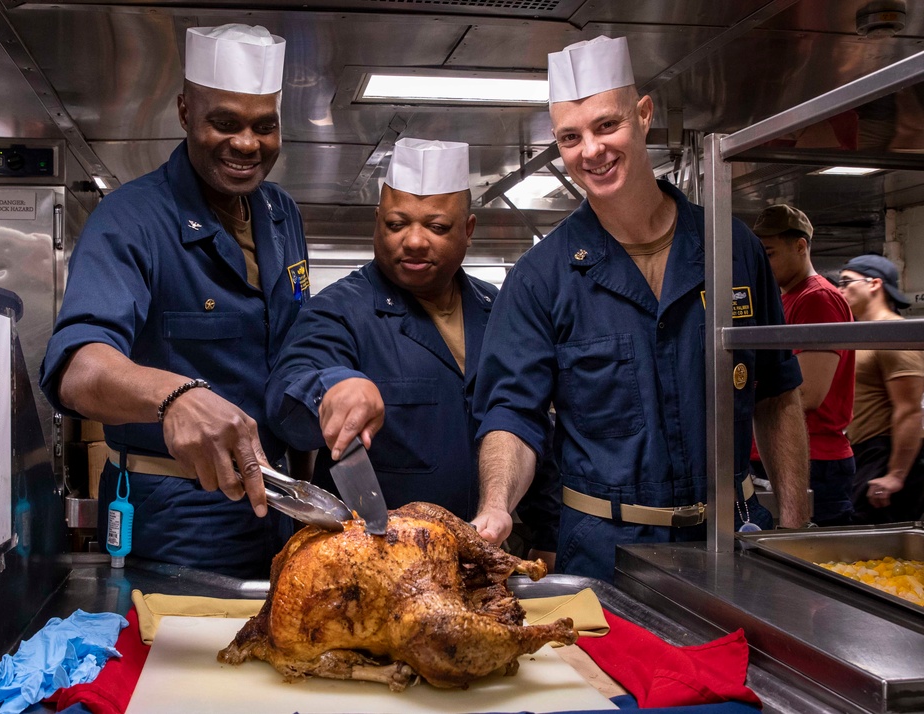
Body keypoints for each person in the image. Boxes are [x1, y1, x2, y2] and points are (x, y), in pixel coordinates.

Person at [470, 36, 811, 582]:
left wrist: (794, 528)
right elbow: (513, 415)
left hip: (733, 539)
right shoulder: (541, 277)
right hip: (606, 556)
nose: (591, 151)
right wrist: (496, 505)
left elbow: (776, 393)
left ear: (645, 114)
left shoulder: (731, 248)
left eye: (607, 126)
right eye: (570, 137)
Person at [39, 24, 310, 578]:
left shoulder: (283, 215)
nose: (246, 143)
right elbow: (76, 366)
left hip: (281, 507)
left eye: (265, 126)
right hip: (179, 517)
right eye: (225, 123)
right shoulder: (132, 220)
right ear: (186, 111)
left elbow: (295, 344)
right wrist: (172, 395)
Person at [268, 138, 559, 558]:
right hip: (378, 566)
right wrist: (332, 387)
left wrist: (547, 538)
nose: (415, 240)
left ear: (469, 229)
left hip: (488, 556)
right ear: (376, 222)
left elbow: (528, 422)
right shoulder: (341, 310)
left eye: (437, 227)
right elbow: (289, 390)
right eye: (396, 224)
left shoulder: (498, 310)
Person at [751, 204, 856, 526]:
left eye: (769, 254)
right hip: (779, 454)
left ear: (800, 247)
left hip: (813, 458)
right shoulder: (784, 299)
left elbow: (808, 393)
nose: (762, 265)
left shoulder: (817, 299)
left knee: (809, 562)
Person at [838, 254, 924, 524]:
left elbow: (909, 409)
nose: (839, 290)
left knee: (875, 551)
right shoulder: (863, 334)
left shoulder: (893, 335)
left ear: (874, 284)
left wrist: (895, 475)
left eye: (846, 282)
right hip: (860, 453)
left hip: (884, 454)